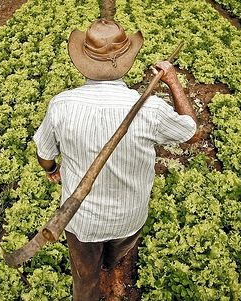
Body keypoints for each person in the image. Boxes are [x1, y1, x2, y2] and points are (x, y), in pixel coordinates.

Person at [33, 19, 198, 300]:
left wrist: (52, 169)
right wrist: (172, 81)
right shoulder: (151, 109)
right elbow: (190, 131)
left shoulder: (61, 105)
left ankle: (95, 279)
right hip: (129, 217)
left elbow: (45, 155)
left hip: (81, 222)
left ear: (82, 61)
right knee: (117, 253)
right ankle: (110, 265)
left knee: (84, 281)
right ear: (127, 61)